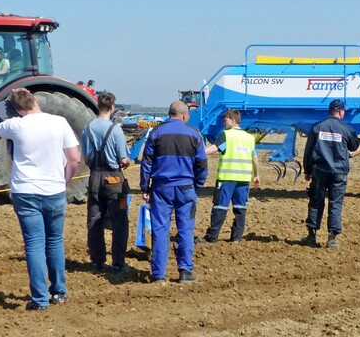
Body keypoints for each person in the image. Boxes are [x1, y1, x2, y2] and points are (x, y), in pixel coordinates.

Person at [0, 88, 81, 310]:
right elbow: (74, 159)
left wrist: (8, 102)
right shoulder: (59, 122)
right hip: (54, 190)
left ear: (17, 109)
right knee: (55, 241)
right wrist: (63, 181)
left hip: (26, 191)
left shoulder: (14, 125)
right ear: (35, 100)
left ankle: (40, 299)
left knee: (34, 244)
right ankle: (59, 291)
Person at [139, 101, 208, 283]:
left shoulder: (156, 133)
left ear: (169, 114)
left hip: (162, 187)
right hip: (186, 187)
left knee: (160, 229)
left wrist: (145, 187)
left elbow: (146, 163)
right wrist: (197, 185)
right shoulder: (195, 134)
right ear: (185, 116)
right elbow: (202, 163)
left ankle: (158, 274)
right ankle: (185, 271)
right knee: (186, 229)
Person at [81, 91, 131, 273]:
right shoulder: (115, 130)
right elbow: (124, 159)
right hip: (114, 178)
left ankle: (97, 261)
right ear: (111, 107)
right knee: (119, 221)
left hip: (94, 177)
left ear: (98, 106)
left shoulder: (87, 129)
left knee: (94, 219)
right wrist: (124, 163)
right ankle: (118, 262)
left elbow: (86, 158)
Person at [301, 99, 360, 249]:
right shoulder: (345, 128)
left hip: (319, 171)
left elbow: (308, 151)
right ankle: (332, 238)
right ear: (341, 112)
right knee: (335, 203)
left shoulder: (317, 127)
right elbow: (354, 146)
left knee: (316, 201)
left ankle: (311, 235)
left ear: (330, 111)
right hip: (339, 172)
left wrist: (307, 171)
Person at [196, 109, 259, 244]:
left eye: (225, 120)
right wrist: (256, 175)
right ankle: (236, 237)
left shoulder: (226, 135)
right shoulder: (249, 138)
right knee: (240, 208)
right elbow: (254, 158)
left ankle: (212, 237)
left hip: (227, 178)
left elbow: (213, 149)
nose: (224, 123)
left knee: (220, 207)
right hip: (243, 180)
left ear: (233, 120)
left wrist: (196, 153)